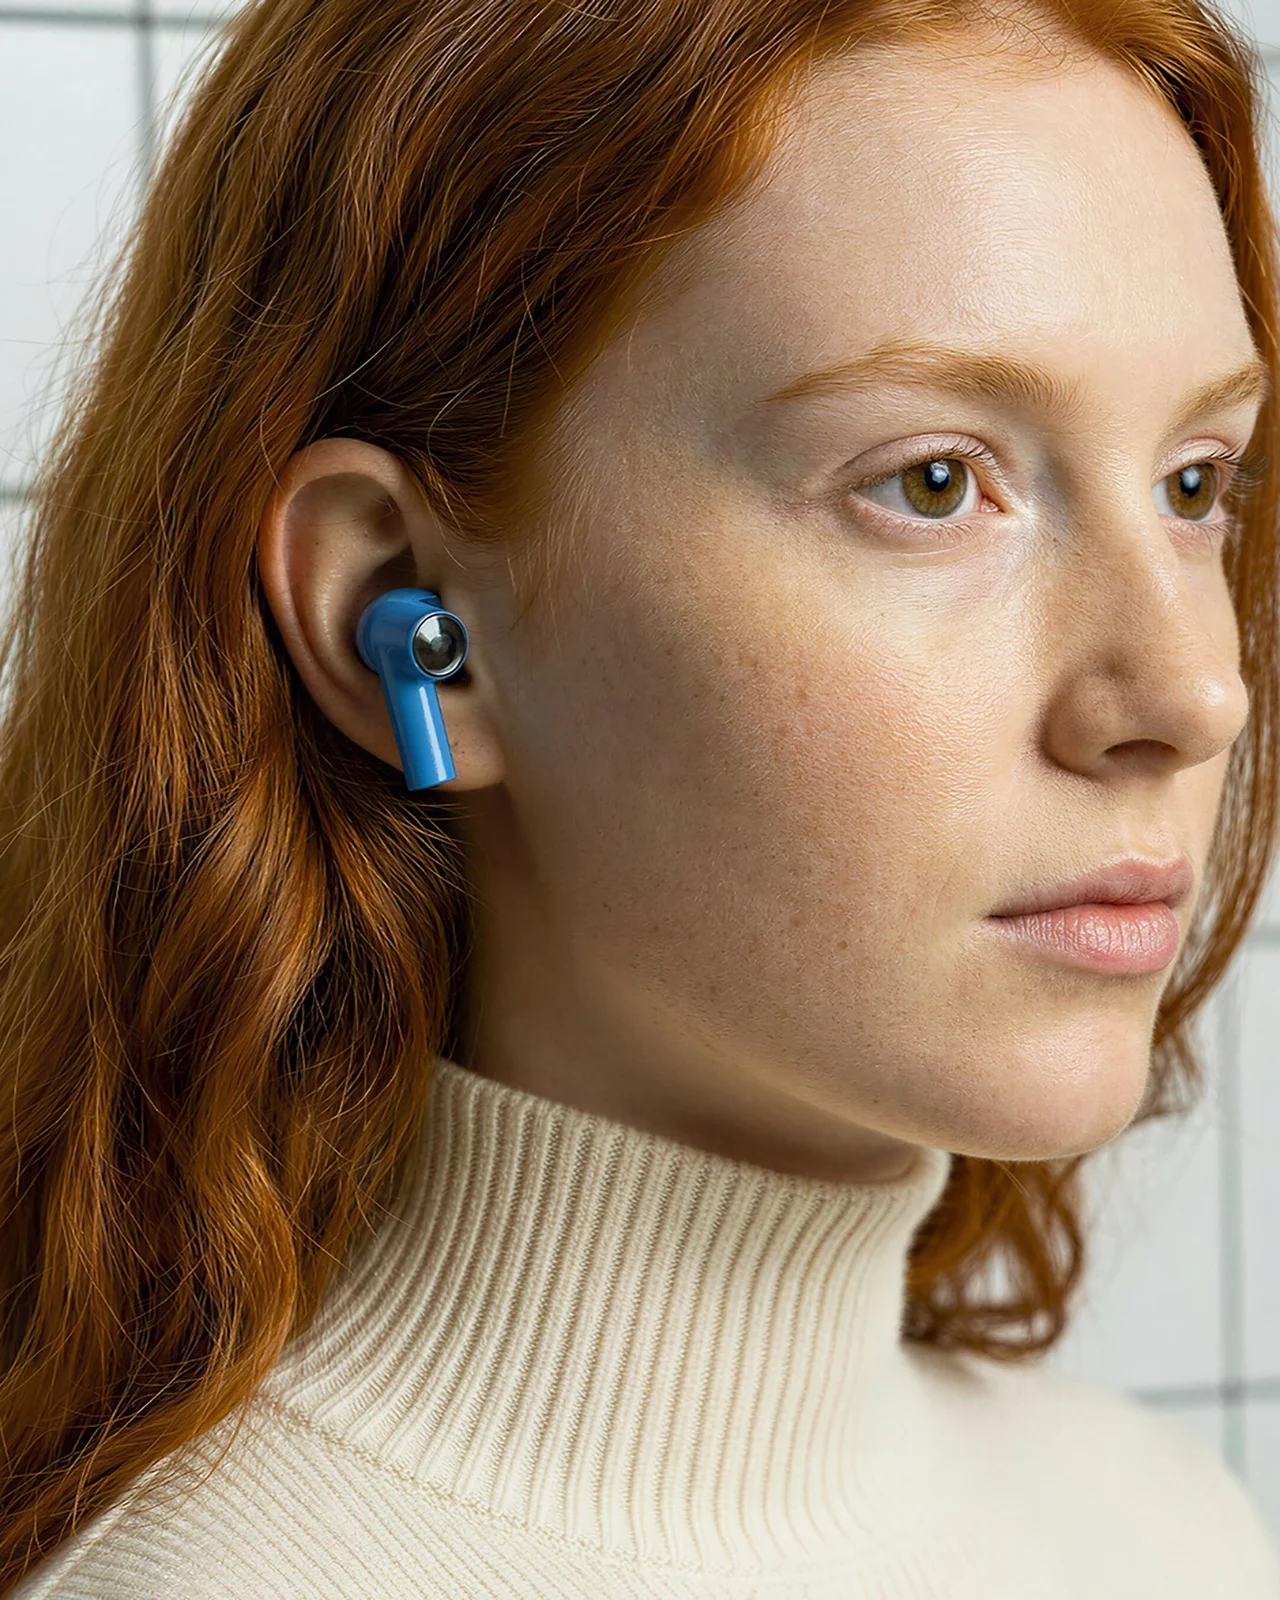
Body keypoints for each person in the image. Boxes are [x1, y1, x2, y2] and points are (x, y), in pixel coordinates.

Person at [3, 0, 1280, 1592]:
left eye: (1195, 483)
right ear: (406, 622)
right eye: (933, 482)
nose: (1191, 696)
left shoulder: (1172, 1532)